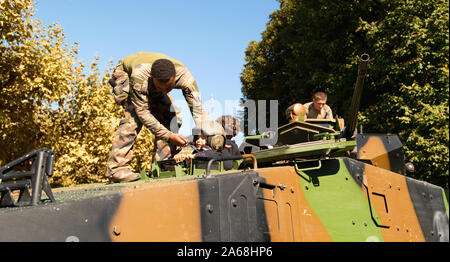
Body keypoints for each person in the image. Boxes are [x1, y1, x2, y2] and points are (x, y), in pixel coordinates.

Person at [106, 52, 209, 183]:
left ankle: (163, 164)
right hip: (125, 73)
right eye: (160, 89)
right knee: (133, 118)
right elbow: (143, 113)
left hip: (149, 78)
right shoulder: (140, 78)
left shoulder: (185, 78)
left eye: (169, 88)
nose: (165, 92)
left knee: (172, 117)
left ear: (174, 79)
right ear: (152, 78)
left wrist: (206, 130)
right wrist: (169, 136)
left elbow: (198, 109)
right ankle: (117, 168)